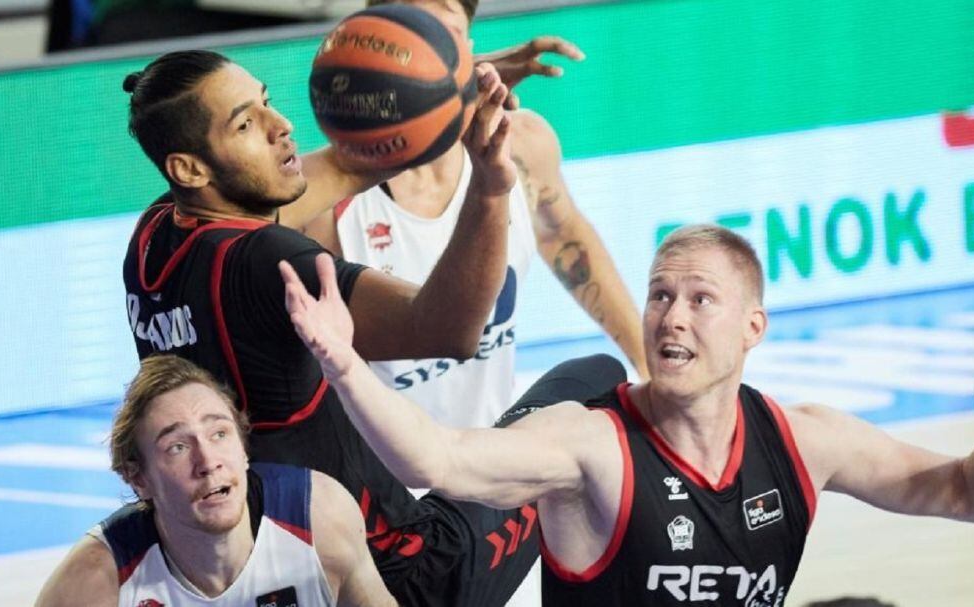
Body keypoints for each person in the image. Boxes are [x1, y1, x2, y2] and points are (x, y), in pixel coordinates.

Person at [116, 49, 615, 605]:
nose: (282, 128)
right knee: (594, 384)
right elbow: (450, 328)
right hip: (407, 575)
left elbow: (347, 167)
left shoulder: (153, 237)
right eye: (246, 123)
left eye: (267, 104)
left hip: (274, 577)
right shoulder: (267, 263)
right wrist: (491, 184)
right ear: (190, 168)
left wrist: (445, 97)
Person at [282, 224, 974, 605]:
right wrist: (343, 363)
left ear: (754, 326)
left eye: (699, 299)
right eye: (658, 295)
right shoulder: (592, 444)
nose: (670, 318)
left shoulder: (805, 439)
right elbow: (438, 459)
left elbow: (963, 492)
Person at [304, 0, 648, 428]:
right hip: (386, 478)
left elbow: (568, 242)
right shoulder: (325, 207)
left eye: (440, 34)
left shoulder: (522, 144)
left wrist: (649, 368)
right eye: (409, 37)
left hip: (487, 462)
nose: (423, 48)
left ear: (467, 46)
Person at [35, 355, 395, 606]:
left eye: (219, 434)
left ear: (243, 448)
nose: (207, 462)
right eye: (176, 447)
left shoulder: (320, 518)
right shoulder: (95, 583)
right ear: (138, 478)